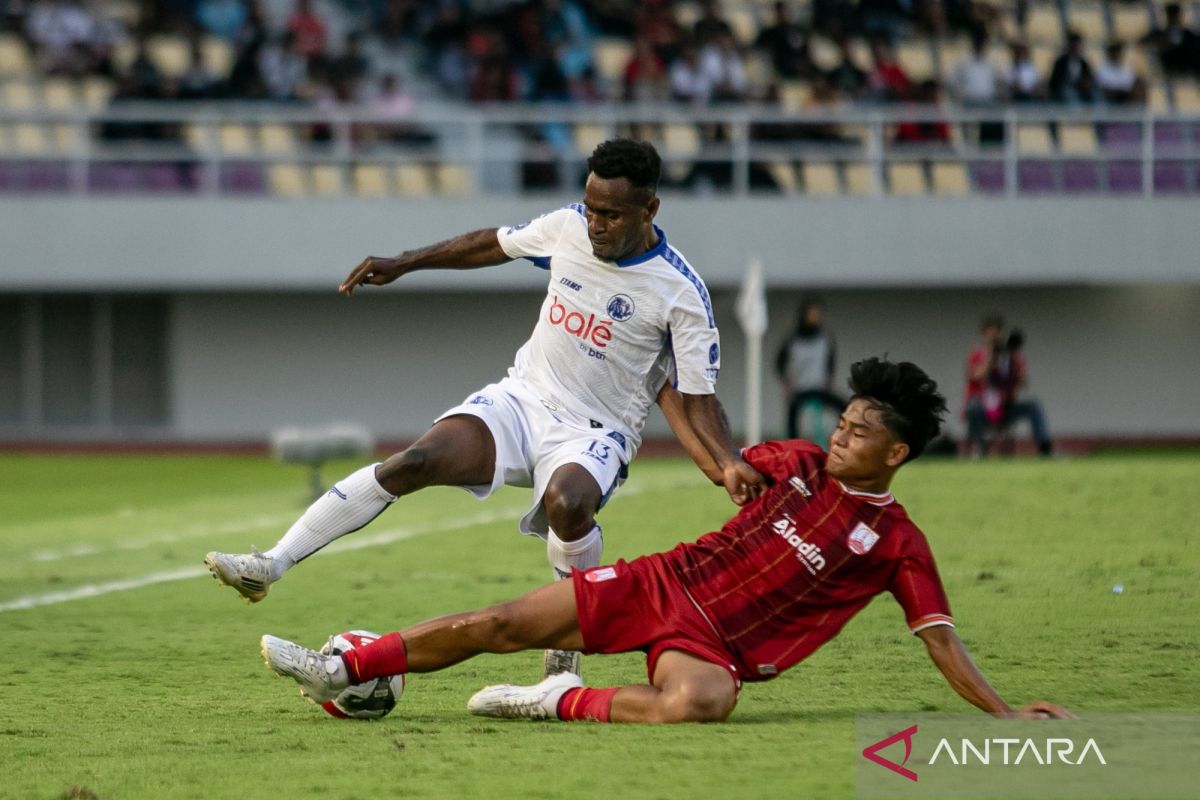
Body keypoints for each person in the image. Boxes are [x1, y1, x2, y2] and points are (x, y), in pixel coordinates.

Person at [206, 139, 766, 679]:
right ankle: (269, 566)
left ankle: (564, 647)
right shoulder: (567, 227)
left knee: (569, 502)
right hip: (521, 400)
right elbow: (490, 244)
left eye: (612, 216)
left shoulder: (680, 293)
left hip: (596, 431)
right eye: (592, 209)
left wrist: (727, 461)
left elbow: (698, 398)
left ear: (650, 208)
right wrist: (405, 262)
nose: (595, 224)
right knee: (414, 462)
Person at [260, 357, 1072, 725]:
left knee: (703, 704)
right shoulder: (787, 463)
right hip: (661, 586)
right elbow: (702, 430)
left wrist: (1003, 713)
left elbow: (940, 639)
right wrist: (700, 434)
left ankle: (557, 700)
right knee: (503, 624)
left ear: (895, 454)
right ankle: (344, 666)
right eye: (843, 421)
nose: (840, 435)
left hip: (713, 647)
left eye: (859, 433)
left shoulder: (897, 543)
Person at [963, 312, 1052, 457]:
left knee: (1034, 405)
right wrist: (992, 354)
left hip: (1006, 406)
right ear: (984, 335)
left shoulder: (1010, 355)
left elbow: (1023, 381)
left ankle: (1045, 447)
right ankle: (978, 447)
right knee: (973, 407)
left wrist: (1013, 357)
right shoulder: (977, 354)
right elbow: (978, 377)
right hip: (983, 407)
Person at [774, 297, 841, 439]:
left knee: (845, 406)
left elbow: (830, 362)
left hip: (820, 388)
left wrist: (829, 381)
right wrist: (786, 384)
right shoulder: (793, 339)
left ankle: (841, 437)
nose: (815, 317)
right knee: (793, 415)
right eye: (812, 313)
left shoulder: (825, 337)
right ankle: (793, 445)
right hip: (800, 389)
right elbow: (779, 363)